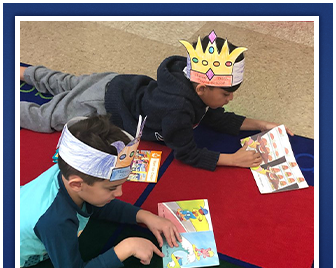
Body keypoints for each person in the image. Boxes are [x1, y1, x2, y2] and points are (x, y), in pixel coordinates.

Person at [20, 30, 293, 172]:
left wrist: (262, 124)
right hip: (103, 102)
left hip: (118, 82)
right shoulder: (178, 111)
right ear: (201, 89)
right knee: (47, 118)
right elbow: (187, 152)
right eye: (226, 94)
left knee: (66, 82)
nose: (231, 99)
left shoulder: (189, 86)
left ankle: (22, 71)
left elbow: (216, 116)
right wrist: (232, 159)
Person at [20, 114, 182, 268]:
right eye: (111, 188)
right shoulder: (56, 222)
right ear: (77, 184)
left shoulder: (71, 175)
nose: (120, 193)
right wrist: (126, 247)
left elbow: (96, 204)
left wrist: (144, 216)